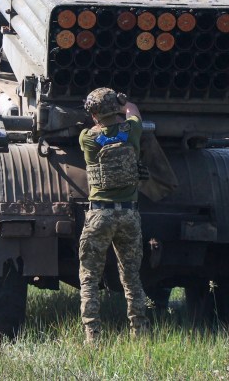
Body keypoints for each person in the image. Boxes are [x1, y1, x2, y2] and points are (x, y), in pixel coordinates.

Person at [78, 87, 150, 343]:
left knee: (89, 277)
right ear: (115, 108)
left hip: (99, 215)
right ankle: (139, 332)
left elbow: (97, 129)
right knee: (131, 277)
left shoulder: (87, 138)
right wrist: (125, 102)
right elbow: (133, 113)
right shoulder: (131, 132)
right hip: (129, 215)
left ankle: (92, 336)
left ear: (93, 113)